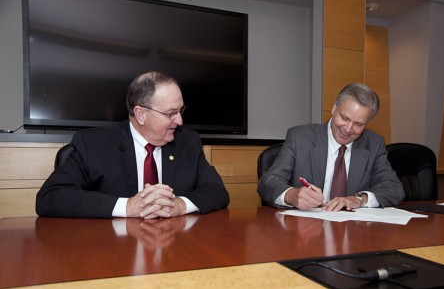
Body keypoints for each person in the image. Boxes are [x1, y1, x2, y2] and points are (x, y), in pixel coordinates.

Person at [36, 71, 229, 219]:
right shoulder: (94, 145)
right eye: (170, 113)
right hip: (111, 252)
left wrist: (179, 205)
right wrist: (127, 207)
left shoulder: (189, 142)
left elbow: (217, 192)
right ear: (140, 114)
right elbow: (50, 198)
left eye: (180, 110)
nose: (179, 121)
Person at [257, 83, 404, 211]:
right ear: (334, 108)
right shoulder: (299, 137)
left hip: (352, 234)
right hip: (305, 233)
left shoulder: (374, 144)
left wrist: (359, 199)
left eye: (358, 124)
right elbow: (267, 182)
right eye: (345, 118)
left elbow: (394, 189)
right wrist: (291, 195)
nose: (348, 128)